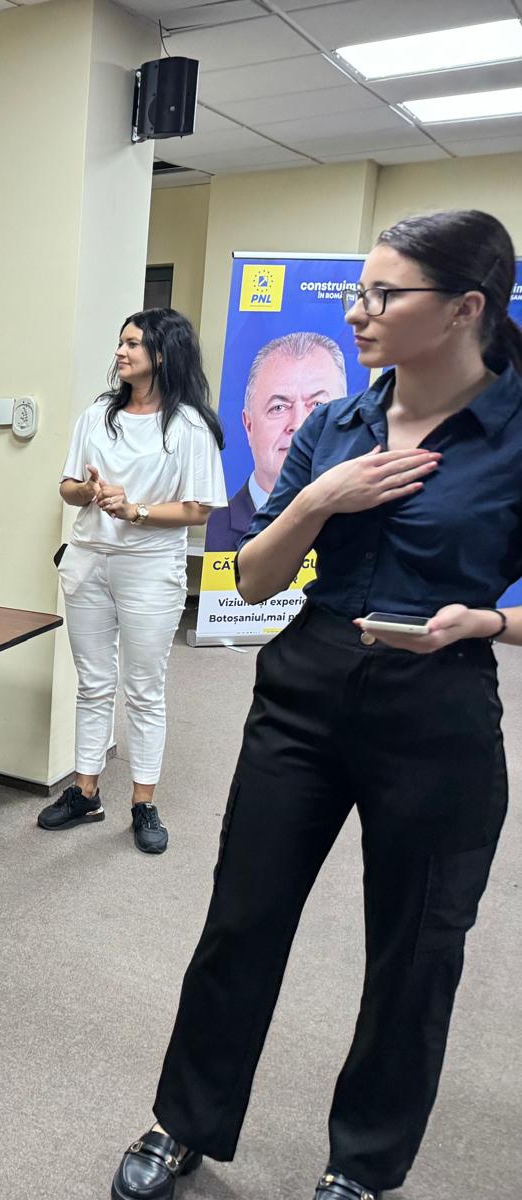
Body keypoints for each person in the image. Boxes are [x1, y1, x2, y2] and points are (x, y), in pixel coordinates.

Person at [111, 209, 522, 1200]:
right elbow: (253, 578)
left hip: (440, 700)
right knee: (241, 919)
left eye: (383, 294)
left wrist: (488, 624)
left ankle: (362, 1166)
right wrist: (317, 499)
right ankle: (185, 1121)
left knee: (415, 953)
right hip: (306, 683)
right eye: (359, 290)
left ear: (464, 309)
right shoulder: (336, 423)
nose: (357, 311)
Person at [43, 308, 225, 857]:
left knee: (144, 689)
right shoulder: (97, 415)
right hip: (89, 561)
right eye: (120, 343)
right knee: (93, 682)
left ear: (162, 354)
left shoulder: (190, 426)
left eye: (132, 344)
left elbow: (198, 510)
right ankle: (85, 792)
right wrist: (88, 492)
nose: (120, 352)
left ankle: (143, 802)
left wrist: (135, 510)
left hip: (149, 568)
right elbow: (68, 487)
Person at [205, 331, 348, 551]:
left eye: (318, 405)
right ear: (249, 425)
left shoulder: (372, 525)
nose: (299, 424)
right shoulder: (216, 527)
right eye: (279, 407)